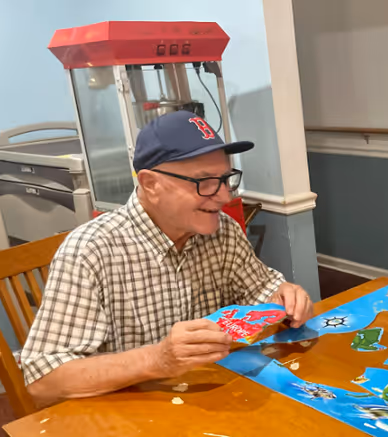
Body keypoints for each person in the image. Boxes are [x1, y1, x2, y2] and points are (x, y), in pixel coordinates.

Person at [21, 111, 314, 407]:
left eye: (226, 179)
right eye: (204, 182)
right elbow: (43, 381)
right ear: (150, 184)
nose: (224, 197)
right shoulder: (90, 251)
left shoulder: (222, 230)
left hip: (213, 397)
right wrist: (157, 359)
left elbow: (262, 290)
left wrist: (284, 297)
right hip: (130, 411)